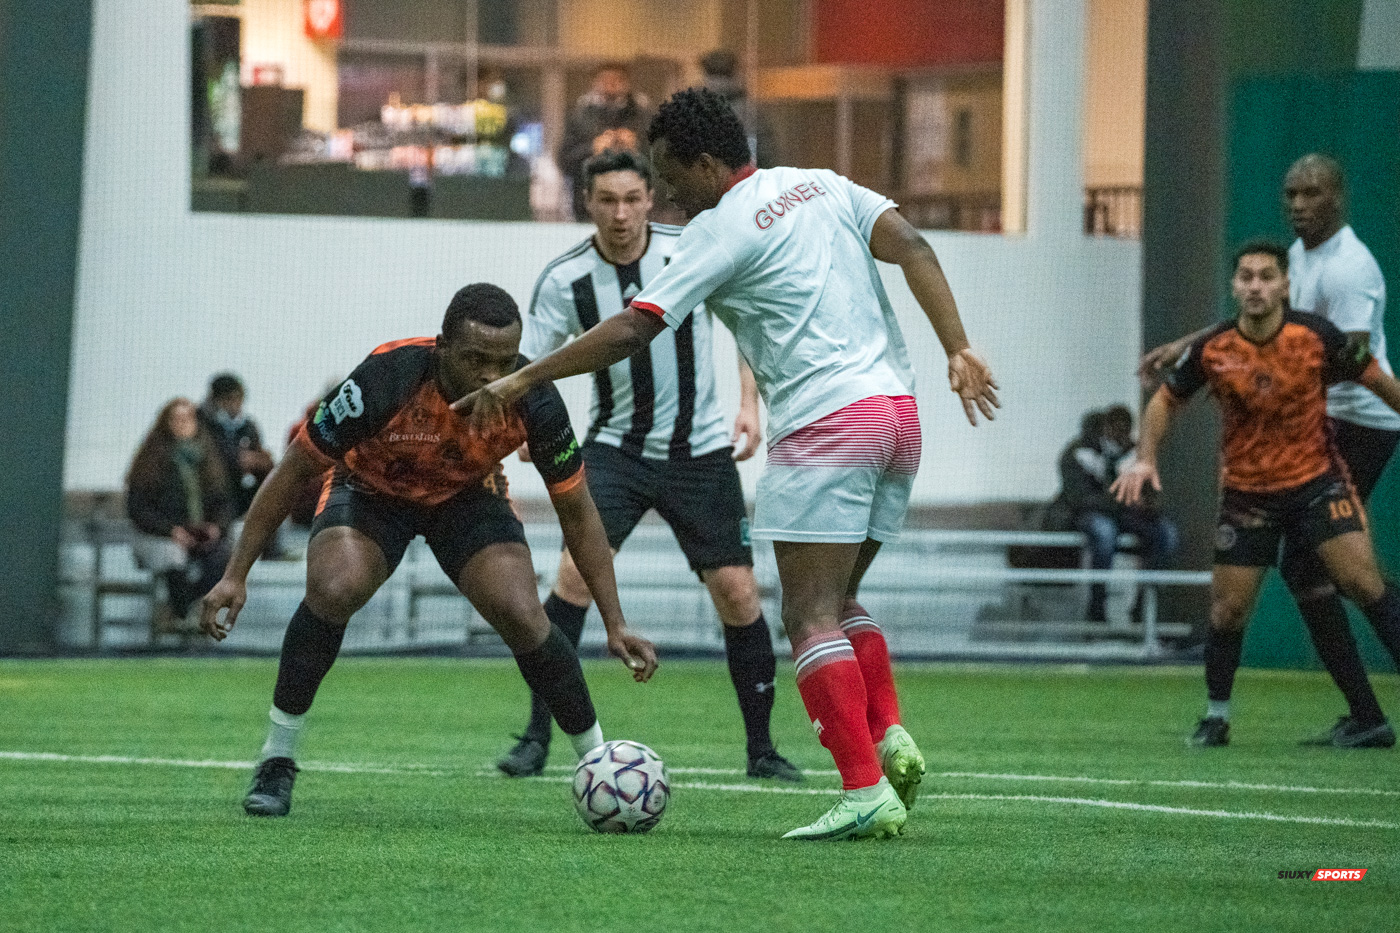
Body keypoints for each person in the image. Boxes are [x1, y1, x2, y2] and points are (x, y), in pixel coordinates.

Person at [455, 89, 999, 840]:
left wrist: (520, 378)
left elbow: (628, 331)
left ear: (708, 163)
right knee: (839, 601)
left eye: (671, 175)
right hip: (896, 416)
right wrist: (959, 347)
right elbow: (914, 246)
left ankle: (863, 786)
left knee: (806, 615)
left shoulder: (717, 231)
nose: (665, 193)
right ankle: (887, 734)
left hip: (823, 426)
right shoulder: (823, 183)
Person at [200, 284, 658, 817]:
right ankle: (277, 760)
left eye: (504, 362)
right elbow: (293, 470)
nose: (492, 377)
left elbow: (578, 513)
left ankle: (600, 764)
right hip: (371, 491)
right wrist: (236, 574)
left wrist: (615, 620)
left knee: (523, 614)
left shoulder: (534, 397)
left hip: (466, 496)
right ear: (442, 347)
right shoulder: (386, 377)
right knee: (334, 587)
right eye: (475, 361)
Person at [494, 149, 801, 784]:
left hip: (701, 449)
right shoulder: (564, 279)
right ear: (588, 203)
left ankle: (762, 750)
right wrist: (520, 425)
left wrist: (750, 403)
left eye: (633, 199)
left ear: (651, 199)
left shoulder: (689, 248)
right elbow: (530, 364)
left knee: (738, 593)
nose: (621, 213)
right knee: (572, 581)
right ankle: (536, 737)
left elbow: (743, 322)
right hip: (615, 452)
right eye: (607, 201)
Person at [1140, 155, 1399, 747]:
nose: (1299, 204)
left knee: (1351, 576)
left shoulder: (1350, 268)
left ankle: (1366, 714)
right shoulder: (1297, 258)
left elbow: (1345, 356)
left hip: (1358, 423)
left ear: (1339, 195)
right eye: (1291, 193)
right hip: (1282, 453)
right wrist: (1200, 347)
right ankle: (1362, 716)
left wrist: (1258, 378)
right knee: (1287, 579)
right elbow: (1259, 330)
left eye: (1313, 193)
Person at [1049, 405, 1178, 622]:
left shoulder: (1135, 454)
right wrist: (1122, 499)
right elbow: (1080, 499)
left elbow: (1153, 492)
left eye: (1125, 430)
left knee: (1168, 534)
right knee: (1104, 533)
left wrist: (1149, 505)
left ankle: (1143, 606)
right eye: (1114, 430)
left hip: (1125, 514)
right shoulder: (1079, 453)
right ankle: (1097, 607)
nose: (1120, 436)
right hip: (1090, 513)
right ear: (1104, 429)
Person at [126, 397, 233, 630]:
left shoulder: (209, 460)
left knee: (224, 557)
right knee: (173, 558)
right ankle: (182, 615)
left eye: (188, 419)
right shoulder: (151, 461)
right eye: (177, 419)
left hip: (200, 532)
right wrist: (171, 531)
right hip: (163, 534)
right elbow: (138, 508)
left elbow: (223, 502)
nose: (183, 424)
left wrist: (216, 527)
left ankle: (179, 610)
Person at [558, 63, 653, 220]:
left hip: (635, 204)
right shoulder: (578, 116)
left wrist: (637, 146)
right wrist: (593, 149)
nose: (611, 84)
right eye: (605, 80)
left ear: (627, 83)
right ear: (594, 83)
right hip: (588, 207)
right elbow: (564, 161)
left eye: (617, 80)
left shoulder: (643, 117)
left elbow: (661, 160)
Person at [199, 373, 275, 520]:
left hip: (240, 494)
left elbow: (262, 461)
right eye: (229, 399)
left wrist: (260, 461)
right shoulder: (201, 424)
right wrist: (236, 459)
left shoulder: (248, 426)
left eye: (239, 399)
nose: (235, 405)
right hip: (211, 497)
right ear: (215, 400)